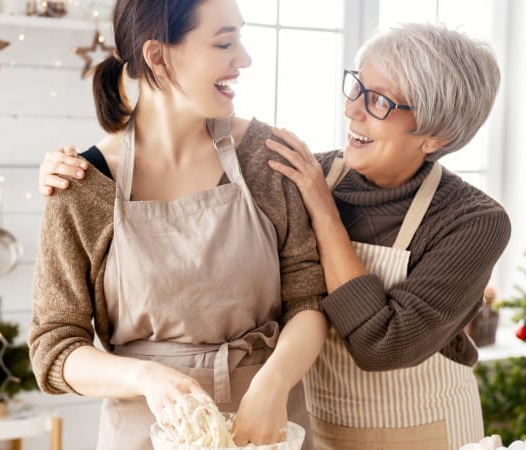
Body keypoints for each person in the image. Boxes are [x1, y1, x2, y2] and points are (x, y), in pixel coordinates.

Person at [39, 22, 510, 450]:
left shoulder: (473, 222)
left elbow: (382, 344)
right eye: (357, 87)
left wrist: (323, 210)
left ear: (437, 134)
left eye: (379, 102)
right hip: (312, 427)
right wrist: (76, 171)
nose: (352, 110)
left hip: (423, 433)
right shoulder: (302, 169)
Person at [28, 0, 327, 449]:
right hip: (145, 435)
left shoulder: (266, 157)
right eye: (224, 42)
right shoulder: (83, 185)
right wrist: (145, 376)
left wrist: (274, 383)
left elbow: (309, 301)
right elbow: (55, 350)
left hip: (269, 432)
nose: (243, 58)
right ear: (158, 57)